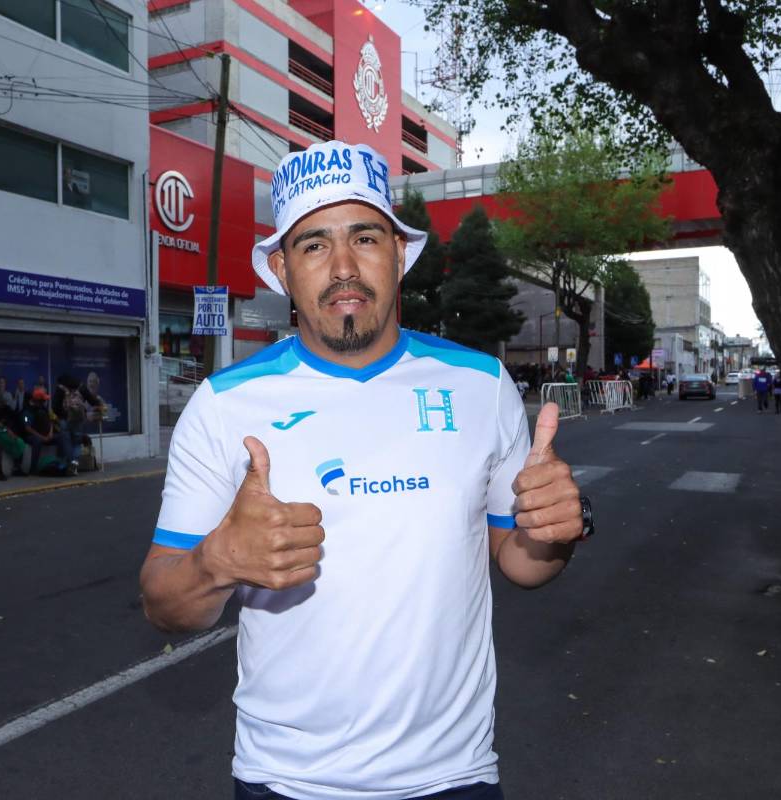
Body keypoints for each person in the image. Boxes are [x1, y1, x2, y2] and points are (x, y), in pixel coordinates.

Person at [139, 141, 590, 800]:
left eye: (366, 238)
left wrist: (555, 529)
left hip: (455, 775)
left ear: (399, 254)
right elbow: (162, 601)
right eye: (314, 245)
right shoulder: (223, 405)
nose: (344, 267)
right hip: (287, 782)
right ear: (282, 269)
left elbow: (521, 563)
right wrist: (216, 562)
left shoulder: (480, 384)